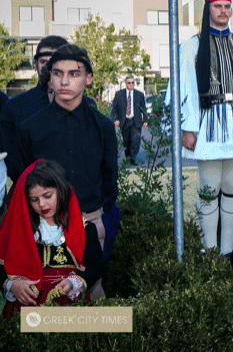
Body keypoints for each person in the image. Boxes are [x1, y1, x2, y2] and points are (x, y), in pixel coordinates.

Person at [9, 44, 116, 299]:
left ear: (88, 78)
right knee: (41, 296)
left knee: (92, 295)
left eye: (74, 73)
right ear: (50, 77)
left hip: (90, 223)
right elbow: (22, 182)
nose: (64, 81)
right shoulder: (29, 129)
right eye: (57, 73)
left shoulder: (103, 128)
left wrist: (96, 218)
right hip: (41, 228)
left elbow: (109, 179)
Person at [169, 0, 233, 258]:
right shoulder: (192, 46)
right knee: (209, 188)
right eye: (218, 6)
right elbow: (184, 88)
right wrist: (187, 127)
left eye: (227, 6)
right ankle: (210, 251)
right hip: (207, 124)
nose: (223, 11)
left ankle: (227, 251)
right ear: (208, 10)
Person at [0, 160, 104, 320]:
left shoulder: (84, 228)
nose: (42, 204)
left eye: (47, 196)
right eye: (34, 199)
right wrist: (11, 285)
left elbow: (95, 265)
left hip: (69, 310)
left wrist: (75, 282)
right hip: (27, 311)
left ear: (61, 191)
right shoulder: (19, 231)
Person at [0, 35, 68, 157]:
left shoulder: (86, 106)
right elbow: (9, 156)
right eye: (44, 62)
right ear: (35, 64)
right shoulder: (14, 107)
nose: (50, 67)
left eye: (56, 61)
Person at [111, 76, 148, 165]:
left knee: (136, 140)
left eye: (132, 82)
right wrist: (115, 119)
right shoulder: (119, 94)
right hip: (125, 121)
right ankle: (128, 157)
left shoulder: (139, 95)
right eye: (129, 83)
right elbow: (114, 108)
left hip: (136, 121)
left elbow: (144, 108)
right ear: (125, 83)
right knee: (126, 141)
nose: (131, 84)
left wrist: (145, 120)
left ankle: (133, 158)